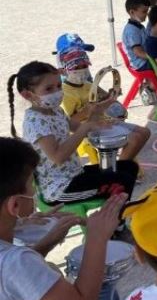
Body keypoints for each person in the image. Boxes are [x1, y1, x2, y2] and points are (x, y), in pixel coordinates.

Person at [0, 137, 128, 300]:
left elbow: (10, 281)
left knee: (108, 294)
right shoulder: (16, 262)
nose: (34, 190)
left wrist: (45, 242)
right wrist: (97, 237)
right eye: (32, 183)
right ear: (14, 204)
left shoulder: (14, 261)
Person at [7, 61, 138, 205]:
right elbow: (58, 157)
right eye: (48, 89)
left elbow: (80, 128)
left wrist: (100, 109)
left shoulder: (55, 110)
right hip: (60, 189)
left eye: (58, 86)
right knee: (121, 181)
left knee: (128, 167)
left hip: (74, 174)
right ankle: (115, 224)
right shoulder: (35, 122)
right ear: (28, 95)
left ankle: (115, 215)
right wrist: (85, 128)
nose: (56, 92)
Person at [57, 42, 151, 162]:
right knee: (135, 138)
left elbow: (104, 98)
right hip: (88, 129)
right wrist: (88, 110)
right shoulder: (65, 92)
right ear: (66, 69)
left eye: (84, 66)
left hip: (104, 121)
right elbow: (70, 123)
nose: (81, 70)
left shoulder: (89, 84)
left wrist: (112, 95)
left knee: (145, 132)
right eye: (76, 68)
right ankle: (118, 173)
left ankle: (123, 165)